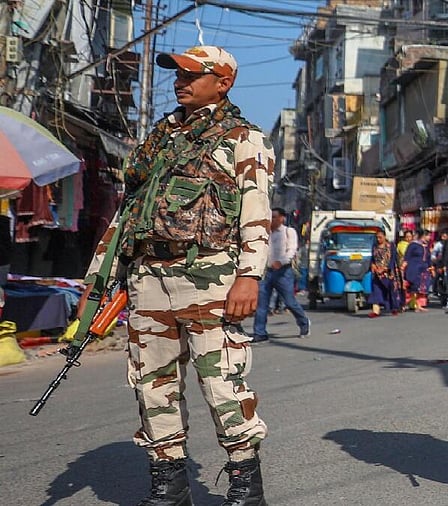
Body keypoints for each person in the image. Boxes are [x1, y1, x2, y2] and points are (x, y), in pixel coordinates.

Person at [80, 46, 272, 505]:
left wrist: (250, 275)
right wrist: (101, 273)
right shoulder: (160, 138)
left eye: (191, 74)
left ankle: (246, 485)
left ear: (222, 82)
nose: (179, 81)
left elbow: (256, 209)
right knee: (152, 384)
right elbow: (131, 210)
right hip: (148, 277)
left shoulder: (243, 138)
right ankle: (169, 484)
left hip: (211, 277)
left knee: (222, 382)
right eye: (176, 74)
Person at [252, 207, 311, 342]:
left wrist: (281, 261)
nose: (271, 219)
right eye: (270, 217)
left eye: (274, 217)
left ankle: (304, 323)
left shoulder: (288, 232)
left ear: (282, 218)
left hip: (283, 272)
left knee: (289, 301)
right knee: (262, 304)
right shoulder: (265, 233)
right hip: (266, 272)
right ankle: (259, 332)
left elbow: (291, 250)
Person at [367, 229, 401, 317]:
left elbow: (393, 259)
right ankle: (376, 311)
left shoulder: (391, 246)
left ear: (384, 237)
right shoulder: (374, 246)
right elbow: (372, 258)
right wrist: (373, 265)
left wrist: (386, 268)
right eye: (377, 237)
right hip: (377, 274)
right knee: (376, 290)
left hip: (388, 273)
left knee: (391, 291)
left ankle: (394, 308)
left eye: (380, 237)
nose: (378, 239)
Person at [402, 229, 432, 311]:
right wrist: (404, 265)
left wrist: (430, 267)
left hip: (423, 269)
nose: (430, 238)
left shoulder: (426, 246)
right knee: (411, 286)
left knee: (421, 287)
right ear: (423, 236)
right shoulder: (413, 245)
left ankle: (419, 305)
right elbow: (407, 256)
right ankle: (403, 304)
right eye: (428, 236)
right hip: (413, 268)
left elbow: (428, 258)